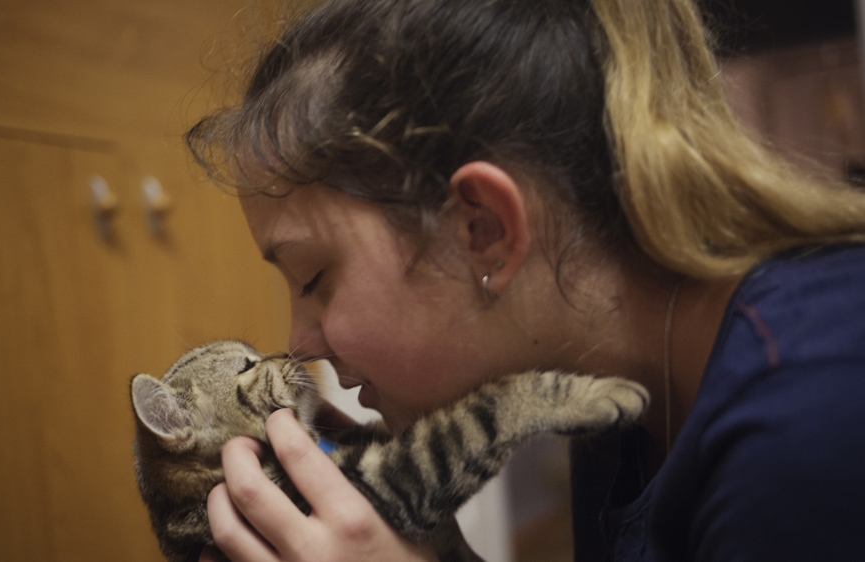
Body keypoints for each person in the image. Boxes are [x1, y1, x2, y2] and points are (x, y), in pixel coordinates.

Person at [186, 0, 865, 560]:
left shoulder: (807, 417)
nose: (298, 341)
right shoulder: (617, 396)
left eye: (313, 277)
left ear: (485, 229)